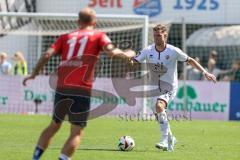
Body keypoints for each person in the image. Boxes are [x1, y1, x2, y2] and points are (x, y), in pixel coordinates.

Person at [23, 7, 135, 160]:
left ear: (78, 21)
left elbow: (47, 54)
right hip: (81, 90)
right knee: (76, 131)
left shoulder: (65, 37)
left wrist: (33, 74)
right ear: (94, 22)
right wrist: (130, 54)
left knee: (54, 125)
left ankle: (35, 158)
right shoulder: (98, 36)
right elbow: (112, 53)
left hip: (62, 88)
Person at [130, 24, 216, 151]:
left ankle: (164, 140)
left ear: (165, 35)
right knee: (159, 116)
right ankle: (171, 137)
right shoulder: (148, 51)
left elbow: (190, 60)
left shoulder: (173, 51)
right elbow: (134, 61)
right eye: (154, 35)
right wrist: (128, 59)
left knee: (160, 106)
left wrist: (205, 72)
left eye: (159, 35)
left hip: (169, 88)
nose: (156, 38)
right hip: (153, 88)